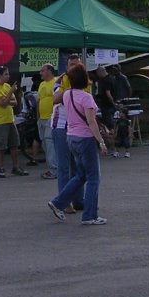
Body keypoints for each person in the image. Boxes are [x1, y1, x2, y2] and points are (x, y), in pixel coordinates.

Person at [47, 64, 109, 225]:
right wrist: (101, 141)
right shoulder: (86, 97)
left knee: (80, 175)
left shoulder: (67, 94)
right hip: (85, 139)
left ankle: (58, 202)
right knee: (94, 177)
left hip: (71, 137)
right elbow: (91, 121)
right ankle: (90, 215)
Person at [50, 54, 86, 212]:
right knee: (64, 166)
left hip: (77, 127)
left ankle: (78, 199)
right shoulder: (61, 80)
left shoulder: (85, 82)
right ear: (67, 66)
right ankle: (64, 202)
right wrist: (71, 92)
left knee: (78, 166)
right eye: (71, 64)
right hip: (61, 125)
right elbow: (56, 98)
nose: (74, 68)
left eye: (77, 65)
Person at [0, 66, 28, 178]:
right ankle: (1, 168)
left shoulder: (6, 86)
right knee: (1, 146)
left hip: (10, 119)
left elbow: (14, 102)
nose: (8, 76)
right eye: (6, 74)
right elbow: (3, 103)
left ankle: (15, 167)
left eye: (8, 74)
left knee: (14, 144)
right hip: (0, 121)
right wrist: (10, 93)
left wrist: (7, 99)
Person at [102, 64, 133, 158]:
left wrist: (128, 98)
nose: (114, 71)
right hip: (115, 101)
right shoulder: (112, 78)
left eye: (116, 69)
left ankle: (123, 147)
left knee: (123, 122)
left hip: (122, 101)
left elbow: (129, 88)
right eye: (113, 69)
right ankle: (115, 146)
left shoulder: (123, 78)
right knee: (115, 121)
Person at [36, 64, 57, 180]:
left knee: (50, 144)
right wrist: (38, 117)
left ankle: (54, 170)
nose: (41, 73)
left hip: (51, 117)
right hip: (42, 118)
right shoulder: (42, 84)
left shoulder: (56, 82)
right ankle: (52, 167)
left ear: (49, 71)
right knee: (45, 144)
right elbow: (39, 101)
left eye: (42, 71)